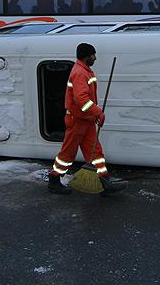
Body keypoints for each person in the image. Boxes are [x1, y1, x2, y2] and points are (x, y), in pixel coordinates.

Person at [47, 43, 125, 195]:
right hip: (77, 120)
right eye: (93, 55)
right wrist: (98, 112)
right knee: (67, 154)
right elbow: (81, 99)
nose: (95, 58)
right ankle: (54, 180)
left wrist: (93, 115)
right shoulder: (80, 73)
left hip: (85, 120)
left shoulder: (85, 71)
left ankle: (104, 182)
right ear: (86, 56)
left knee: (96, 152)